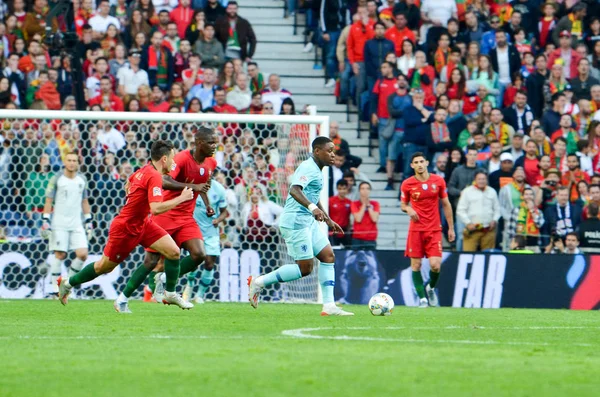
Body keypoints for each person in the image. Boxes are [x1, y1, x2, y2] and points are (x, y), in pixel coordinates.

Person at [57, 140, 194, 312]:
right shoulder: (153, 176)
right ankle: (67, 283)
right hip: (125, 228)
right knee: (103, 266)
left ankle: (170, 293)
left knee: (173, 251)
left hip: (143, 223)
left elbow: (128, 183)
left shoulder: (144, 170)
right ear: (164, 159)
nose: (174, 163)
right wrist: (182, 198)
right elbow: (156, 208)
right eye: (173, 158)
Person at [247, 137, 353, 316]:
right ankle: (258, 282)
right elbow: (295, 190)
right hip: (295, 222)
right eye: (329, 151)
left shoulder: (318, 170)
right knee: (305, 268)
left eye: (333, 151)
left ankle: (329, 306)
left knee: (328, 256)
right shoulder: (307, 167)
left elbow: (311, 194)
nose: (333, 154)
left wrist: (326, 218)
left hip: (307, 221)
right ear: (317, 151)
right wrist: (312, 209)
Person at [138, 127, 218, 305]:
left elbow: (202, 186)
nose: (215, 146)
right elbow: (164, 180)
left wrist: (207, 205)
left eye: (215, 142)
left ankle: (164, 281)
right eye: (211, 142)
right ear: (199, 143)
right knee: (154, 261)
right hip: (166, 213)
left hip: (186, 217)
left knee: (199, 254)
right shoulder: (181, 158)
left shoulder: (211, 163)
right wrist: (191, 188)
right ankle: (140, 295)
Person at [401, 152, 455, 308]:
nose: (419, 164)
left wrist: (450, 228)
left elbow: (446, 204)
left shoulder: (438, 181)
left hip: (434, 229)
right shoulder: (407, 184)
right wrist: (409, 210)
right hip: (416, 230)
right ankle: (422, 299)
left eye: (421, 161)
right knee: (416, 265)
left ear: (426, 163)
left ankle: (430, 288)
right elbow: (403, 204)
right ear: (412, 165)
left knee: (435, 265)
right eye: (415, 162)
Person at [41, 153, 92, 296]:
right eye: (69, 160)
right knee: (60, 254)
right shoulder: (57, 178)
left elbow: (85, 201)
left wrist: (89, 221)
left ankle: (67, 284)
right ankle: (54, 290)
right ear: (64, 162)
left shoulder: (82, 179)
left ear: (78, 163)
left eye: (74, 160)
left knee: (82, 254)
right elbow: (48, 200)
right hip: (59, 223)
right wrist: (45, 220)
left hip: (77, 223)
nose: (71, 163)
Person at [183, 175, 229, 304]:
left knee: (209, 263)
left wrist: (218, 220)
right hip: (193, 230)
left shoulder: (218, 189)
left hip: (211, 232)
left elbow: (224, 211)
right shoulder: (192, 185)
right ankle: (189, 286)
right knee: (193, 263)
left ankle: (200, 295)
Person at [456, 171, 500, 252]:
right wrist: (468, 223)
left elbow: (497, 209)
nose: (481, 181)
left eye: (484, 179)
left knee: (488, 256)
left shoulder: (492, 191)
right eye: (479, 179)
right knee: (468, 255)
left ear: (487, 180)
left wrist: (494, 220)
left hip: (488, 229)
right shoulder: (467, 191)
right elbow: (460, 210)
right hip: (472, 229)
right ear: (475, 180)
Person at [351, 182, 380, 250]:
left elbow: (374, 219)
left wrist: (369, 206)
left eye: (367, 189)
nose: (365, 191)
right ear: (359, 191)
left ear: (370, 190)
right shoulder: (354, 204)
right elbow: (358, 219)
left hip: (371, 238)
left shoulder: (375, 204)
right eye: (363, 188)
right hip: (357, 238)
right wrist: (364, 205)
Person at [329, 179, 352, 247]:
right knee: (334, 250)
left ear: (347, 189)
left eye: (344, 189)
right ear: (337, 189)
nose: (342, 191)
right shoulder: (330, 201)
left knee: (348, 250)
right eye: (340, 188)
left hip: (344, 230)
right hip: (333, 230)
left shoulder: (349, 202)